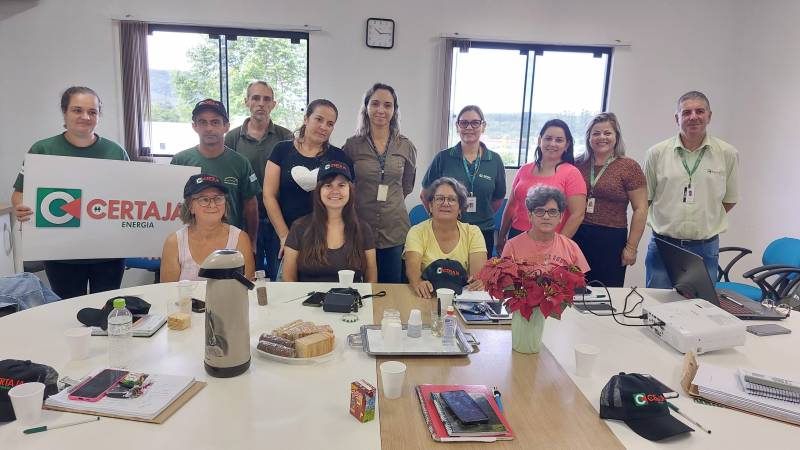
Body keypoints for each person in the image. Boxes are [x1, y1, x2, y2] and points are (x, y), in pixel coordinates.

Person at [11, 86, 130, 299]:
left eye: (92, 112)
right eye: (77, 110)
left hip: (108, 253)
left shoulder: (116, 152)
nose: (85, 116)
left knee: (108, 309)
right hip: (61, 254)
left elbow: (132, 197)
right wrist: (22, 208)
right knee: (66, 312)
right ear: (64, 112)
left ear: (98, 115)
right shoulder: (42, 150)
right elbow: (19, 194)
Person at [644, 91, 738, 288]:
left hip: (705, 247)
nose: (693, 117)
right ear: (677, 118)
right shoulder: (656, 153)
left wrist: (702, 220)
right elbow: (647, 199)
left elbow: (729, 200)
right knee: (655, 306)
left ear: (709, 116)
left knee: (700, 310)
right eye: (686, 112)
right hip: (663, 245)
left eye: (700, 111)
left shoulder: (727, 154)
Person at [263, 99, 354, 269]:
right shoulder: (281, 150)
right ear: (306, 119)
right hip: (284, 233)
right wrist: (285, 236)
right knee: (286, 289)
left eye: (330, 124)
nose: (323, 127)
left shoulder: (339, 156)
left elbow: (347, 198)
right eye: (318, 119)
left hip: (325, 238)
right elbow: (269, 196)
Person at [343, 83, 417, 283]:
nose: (381, 110)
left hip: (395, 229)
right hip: (359, 227)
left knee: (391, 287)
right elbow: (344, 185)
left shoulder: (406, 145)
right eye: (375, 104)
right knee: (360, 286)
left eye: (387, 105)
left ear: (394, 110)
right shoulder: (352, 146)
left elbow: (407, 185)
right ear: (366, 108)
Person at [171, 99, 260, 253]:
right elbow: (169, 203)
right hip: (189, 244)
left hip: (230, 244)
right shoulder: (180, 160)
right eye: (203, 122)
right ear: (194, 126)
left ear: (226, 126)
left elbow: (250, 205)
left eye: (215, 122)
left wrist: (252, 241)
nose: (209, 128)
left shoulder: (240, 163)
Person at [225, 81, 293, 280]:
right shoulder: (232, 138)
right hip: (244, 221)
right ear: (246, 101)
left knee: (278, 274)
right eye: (255, 98)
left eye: (266, 99)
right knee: (245, 275)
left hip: (278, 220)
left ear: (274, 104)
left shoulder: (286, 137)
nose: (261, 103)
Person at [573, 113, 647, 287]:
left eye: (607, 133)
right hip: (578, 234)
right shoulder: (577, 164)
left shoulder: (629, 167)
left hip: (611, 239)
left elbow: (641, 208)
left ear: (616, 136)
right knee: (573, 291)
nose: (601, 137)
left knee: (605, 294)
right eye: (596, 133)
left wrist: (631, 247)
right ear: (589, 137)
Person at [421, 105, 506, 254]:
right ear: (457, 126)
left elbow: (497, 199)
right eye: (464, 123)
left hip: (482, 231)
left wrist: (480, 215)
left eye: (475, 123)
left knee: (478, 276)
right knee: (447, 275)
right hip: (448, 230)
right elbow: (425, 194)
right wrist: (438, 217)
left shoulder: (495, 160)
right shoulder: (443, 158)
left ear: (483, 126)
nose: (469, 127)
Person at [497, 119, 586, 255]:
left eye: (559, 140)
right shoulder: (524, 170)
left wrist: (559, 245)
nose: (552, 143)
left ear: (567, 145)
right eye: (548, 138)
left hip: (548, 241)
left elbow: (577, 215)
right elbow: (511, 206)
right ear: (539, 141)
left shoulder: (572, 173)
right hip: (517, 236)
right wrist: (502, 235)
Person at [282, 161, 377, 282]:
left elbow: (371, 276)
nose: (335, 191)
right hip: (307, 300)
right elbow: (288, 277)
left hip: (352, 299)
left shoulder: (363, 229)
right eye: (328, 185)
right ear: (318, 191)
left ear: (350, 190)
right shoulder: (299, 227)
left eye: (341, 185)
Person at [160, 174, 255, 282]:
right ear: (190, 206)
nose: (213, 205)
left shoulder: (240, 239)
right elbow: (168, 293)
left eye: (218, 198)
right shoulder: (174, 243)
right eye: (204, 199)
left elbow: (248, 289)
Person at [404, 177, 487, 298]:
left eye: (452, 199)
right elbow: (413, 269)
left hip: (462, 296)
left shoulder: (473, 233)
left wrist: (478, 283)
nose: (445, 203)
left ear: (460, 208)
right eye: (440, 199)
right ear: (431, 206)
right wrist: (418, 282)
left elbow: (476, 277)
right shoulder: (417, 232)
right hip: (426, 295)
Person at [502, 185, 590, 273]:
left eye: (552, 212)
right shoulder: (512, 247)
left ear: (561, 217)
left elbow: (580, 283)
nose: (546, 216)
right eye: (540, 211)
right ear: (530, 216)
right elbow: (504, 284)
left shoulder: (571, 248)